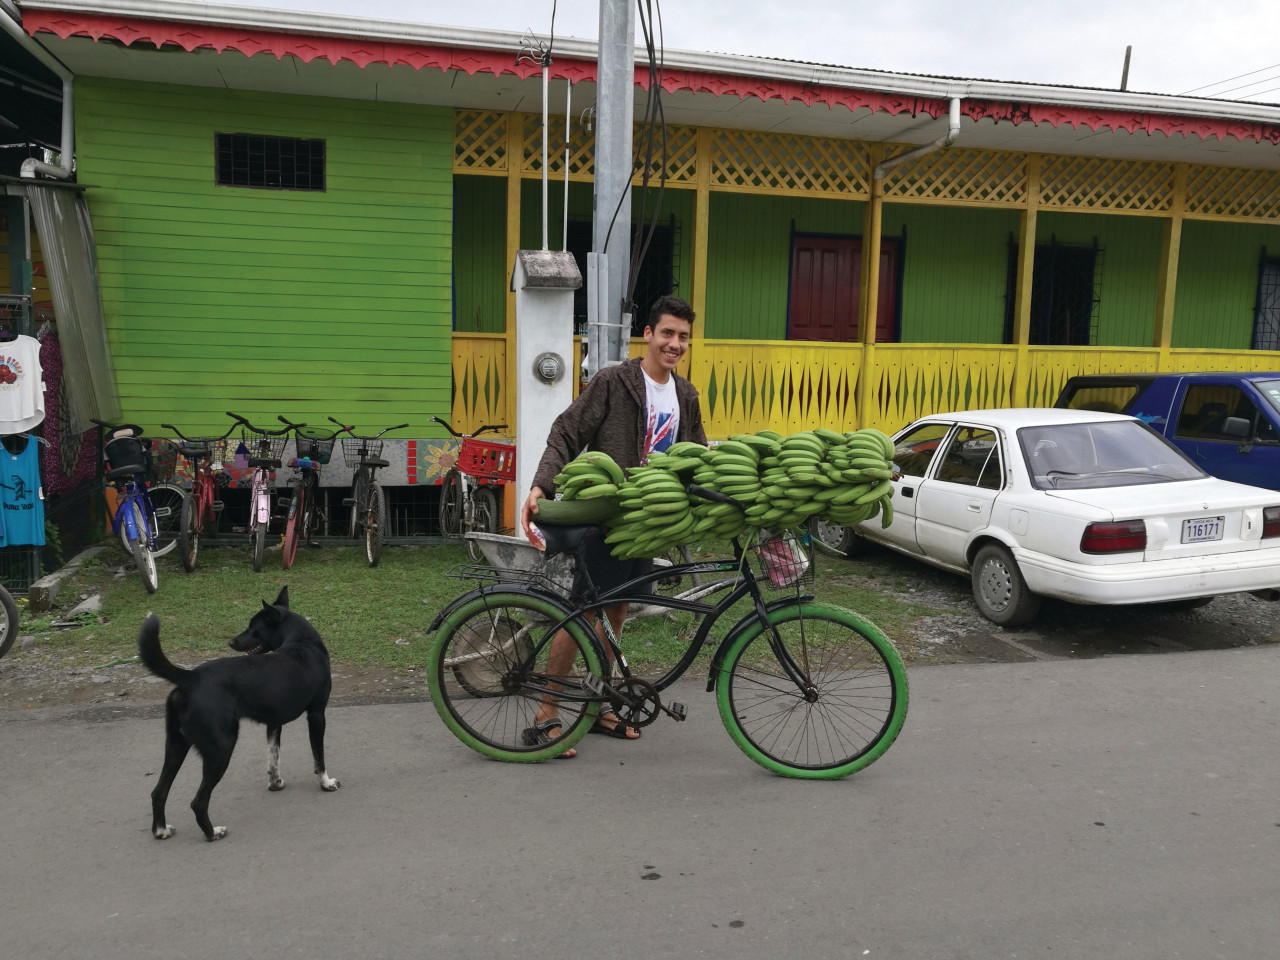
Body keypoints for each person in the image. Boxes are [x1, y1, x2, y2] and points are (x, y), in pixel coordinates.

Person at [520, 294, 707, 757]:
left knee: (616, 613)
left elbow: (699, 454)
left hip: (646, 524)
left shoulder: (685, 394)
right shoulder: (614, 382)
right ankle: (547, 710)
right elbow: (567, 431)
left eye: (683, 337)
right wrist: (541, 484)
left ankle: (599, 701)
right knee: (583, 613)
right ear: (648, 334)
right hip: (607, 518)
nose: (675, 344)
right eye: (667, 333)